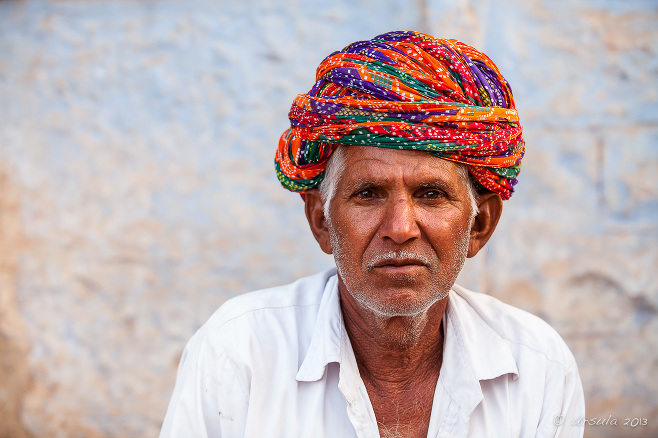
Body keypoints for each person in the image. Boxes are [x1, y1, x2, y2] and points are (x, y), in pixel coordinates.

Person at [160, 31, 585, 438]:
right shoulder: (238, 352)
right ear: (321, 221)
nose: (400, 229)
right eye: (367, 194)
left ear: (480, 225)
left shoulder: (537, 366)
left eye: (432, 194)